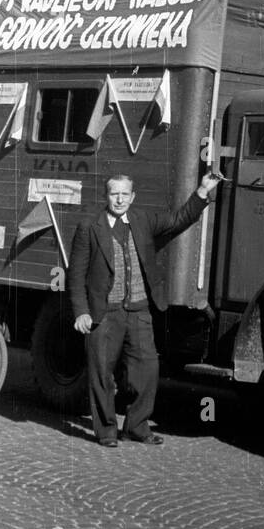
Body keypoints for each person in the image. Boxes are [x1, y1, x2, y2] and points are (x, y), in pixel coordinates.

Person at [69, 171, 221, 448]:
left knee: (147, 369)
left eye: (124, 194)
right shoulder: (89, 226)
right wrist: (81, 311)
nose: (119, 199)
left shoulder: (142, 220)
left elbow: (178, 220)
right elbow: (76, 275)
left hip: (139, 311)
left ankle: (137, 427)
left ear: (132, 197)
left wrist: (201, 191)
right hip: (105, 313)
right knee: (101, 373)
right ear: (106, 196)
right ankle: (106, 432)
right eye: (114, 194)